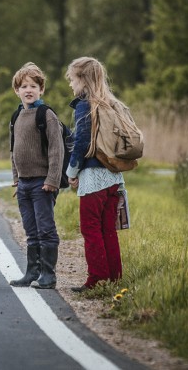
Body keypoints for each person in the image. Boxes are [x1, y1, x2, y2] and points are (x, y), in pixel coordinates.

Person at [65, 57, 124, 292]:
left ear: (83, 79)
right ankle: (114, 277)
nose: (71, 85)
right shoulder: (112, 104)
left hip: (93, 178)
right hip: (115, 177)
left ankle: (97, 279)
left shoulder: (84, 105)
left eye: (72, 79)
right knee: (108, 229)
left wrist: (71, 172)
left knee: (90, 229)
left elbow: (80, 143)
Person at [9, 62, 65, 290]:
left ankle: (48, 275)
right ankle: (32, 271)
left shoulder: (47, 115)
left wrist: (52, 180)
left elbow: (56, 150)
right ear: (17, 90)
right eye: (24, 86)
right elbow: (13, 150)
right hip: (24, 184)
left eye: (33, 86)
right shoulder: (16, 116)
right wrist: (16, 178)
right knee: (31, 230)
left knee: (45, 229)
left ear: (41, 89)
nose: (29, 90)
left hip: (43, 183)